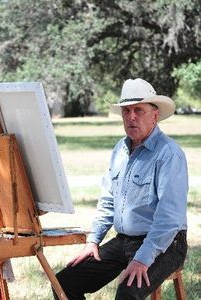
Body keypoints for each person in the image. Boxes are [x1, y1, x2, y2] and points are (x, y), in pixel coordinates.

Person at [54, 78, 188, 300]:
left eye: (139, 110)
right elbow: (108, 200)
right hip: (125, 240)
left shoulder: (169, 154)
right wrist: (93, 241)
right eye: (126, 111)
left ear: (155, 115)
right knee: (64, 283)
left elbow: (169, 218)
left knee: (127, 293)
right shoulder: (120, 149)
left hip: (166, 242)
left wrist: (142, 259)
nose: (131, 117)